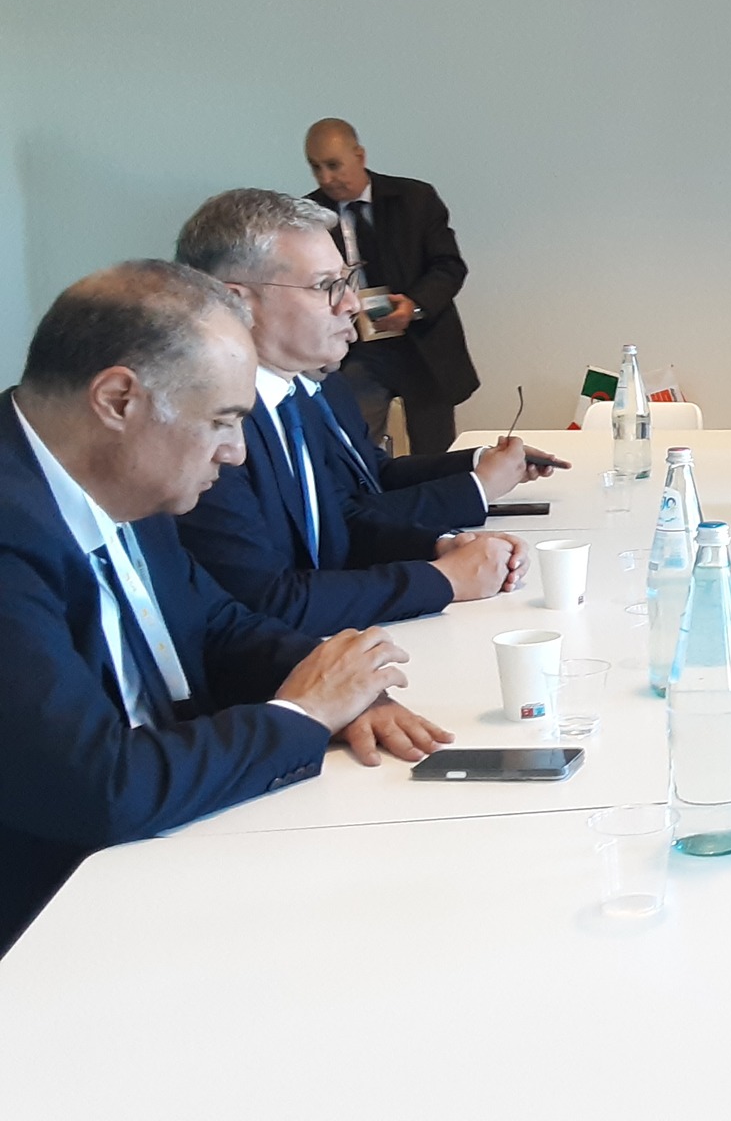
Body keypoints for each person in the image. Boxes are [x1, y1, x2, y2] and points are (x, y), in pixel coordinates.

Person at [0, 261, 447, 952]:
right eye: (221, 422)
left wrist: (340, 684)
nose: (237, 454)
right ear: (118, 400)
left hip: (168, 848)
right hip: (52, 920)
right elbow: (102, 787)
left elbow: (214, 623)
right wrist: (304, 715)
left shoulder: (116, 470)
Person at [173, 189, 528, 635]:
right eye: (326, 286)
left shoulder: (291, 396)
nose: (352, 304)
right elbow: (266, 600)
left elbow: (337, 526)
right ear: (239, 303)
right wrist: (444, 579)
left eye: (348, 280)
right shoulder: (206, 426)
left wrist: (443, 546)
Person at [304, 117, 479, 455]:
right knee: (355, 448)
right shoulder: (309, 215)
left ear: (360, 156)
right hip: (355, 348)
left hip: (422, 343)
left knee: (433, 453)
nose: (325, 178)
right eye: (316, 167)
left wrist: (414, 306)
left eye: (334, 165)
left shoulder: (415, 199)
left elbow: (448, 266)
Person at [300, 364, 566, 533]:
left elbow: (379, 472)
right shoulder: (284, 407)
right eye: (327, 292)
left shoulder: (330, 383)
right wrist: (480, 486)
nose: (353, 306)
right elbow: (341, 523)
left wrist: (482, 461)